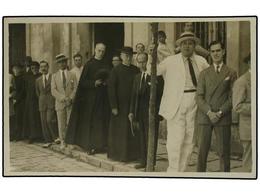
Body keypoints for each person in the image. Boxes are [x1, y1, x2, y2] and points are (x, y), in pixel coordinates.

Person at [154, 32, 209, 172]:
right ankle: (173, 170)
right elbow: (154, 71)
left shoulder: (201, 61)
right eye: (184, 43)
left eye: (190, 43)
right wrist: (150, 57)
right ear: (179, 46)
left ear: (194, 46)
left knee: (190, 139)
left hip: (195, 101)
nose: (187, 46)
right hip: (176, 101)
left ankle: (182, 170)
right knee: (175, 139)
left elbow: (210, 78)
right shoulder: (171, 60)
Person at [196, 41, 237, 172]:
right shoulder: (204, 73)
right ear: (210, 53)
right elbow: (199, 97)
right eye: (213, 51)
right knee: (201, 153)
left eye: (218, 50)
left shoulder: (231, 72)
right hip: (205, 116)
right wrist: (209, 112)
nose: (215, 54)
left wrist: (219, 113)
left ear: (223, 51)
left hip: (222, 117)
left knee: (224, 153)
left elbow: (233, 97)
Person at [66, 43, 111, 154]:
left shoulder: (106, 64)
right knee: (93, 122)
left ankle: (102, 145)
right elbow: (83, 83)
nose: (101, 53)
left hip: (104, 98)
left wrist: (106, 82)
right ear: (95, 50)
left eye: (103, 51)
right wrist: (94, 83)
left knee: (103, 121)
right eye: (99, 50)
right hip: (92, 100)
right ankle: (92, 146)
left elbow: (111, 78)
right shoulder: (89, 65)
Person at [128, 53, 164, 169]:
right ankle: (143, 161)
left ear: (148, 62)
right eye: (139, 61)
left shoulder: (155, 76)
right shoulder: (137, 77)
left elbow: (160, 94)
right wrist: (131, 112)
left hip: (151, 113)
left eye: (144, 61)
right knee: (141, 137)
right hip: (140, 113)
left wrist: (158, 112)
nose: (141, 64)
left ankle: (151, 163)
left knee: (151, 138)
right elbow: (133, 96)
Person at [108, 46, 140, 162]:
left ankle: (132, 155)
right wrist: (114, 106)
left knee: (131, 130)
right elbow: (111, 89)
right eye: (125, 55)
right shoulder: (116, 70)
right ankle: (119, 155)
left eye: (130, 56)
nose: (128, 58)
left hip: (132, 105)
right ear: (121, 57)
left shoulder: (136, 70)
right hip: (120, 107)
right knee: (120, 131)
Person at [51, 54, 77, 149]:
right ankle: (62, 141)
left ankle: (69, 141)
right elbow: (53, 90)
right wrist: (63, 98)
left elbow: (75, 88)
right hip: (60, 103)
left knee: (69, 122)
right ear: (57, 64)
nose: (62, 64)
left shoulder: (72, 75)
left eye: (64, 62)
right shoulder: (54, 76)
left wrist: (70, 98)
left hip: (70, 102)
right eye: (60, 62)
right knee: (61, 123)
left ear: (66, 62)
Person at [233, 54, 251, 172]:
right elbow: (237, 106)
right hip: (249, 129)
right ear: (249, 62)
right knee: (249, 165)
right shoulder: (242, 81)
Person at [36, 60, 59, 148]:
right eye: (41, 67)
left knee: (50, 120)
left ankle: (55, 137)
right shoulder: (38, 80)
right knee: (43, 122)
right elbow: (38, 92)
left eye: (45, 66)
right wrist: (42, 100)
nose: (43, 68)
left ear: (48, 67)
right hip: (42, 103)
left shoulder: (53, 77)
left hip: (51, 101)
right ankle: (47, 140)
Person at [22, 61, 43, 143]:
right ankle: (32, 136)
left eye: (36, 68)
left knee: (39, 118)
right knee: (31, 118)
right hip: (30, 101)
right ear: (30, 69)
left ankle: (40, 136)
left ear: (38, 68)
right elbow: (25, 89)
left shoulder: (41, 76)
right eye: (32, 68)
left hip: (38, 100)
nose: (34, 69)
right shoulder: (28, 77)